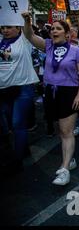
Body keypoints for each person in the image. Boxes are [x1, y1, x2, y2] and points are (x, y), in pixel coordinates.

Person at [22, 13, 79, 185]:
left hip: (69, 93)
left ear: (67, 33)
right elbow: (29, 35)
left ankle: (64, 170)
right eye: (52, 29)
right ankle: (70, 158)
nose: (54, 31)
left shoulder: (77, 51)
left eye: (58, 28)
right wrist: (27, 21)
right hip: (51, 93)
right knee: (61, 131)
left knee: (67, 132)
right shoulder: (48, 46)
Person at [0, 24, 40, 174]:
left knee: (18, 123)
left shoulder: (24, 40)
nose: (5, 30)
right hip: (4, 89)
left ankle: (17, 160)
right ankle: (24, 149)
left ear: (18, 28)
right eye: (2, 27)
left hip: (23, 87)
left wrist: (26, 19)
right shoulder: (0, 40)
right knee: (11, 123)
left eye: (9, 27)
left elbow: (29, 31)